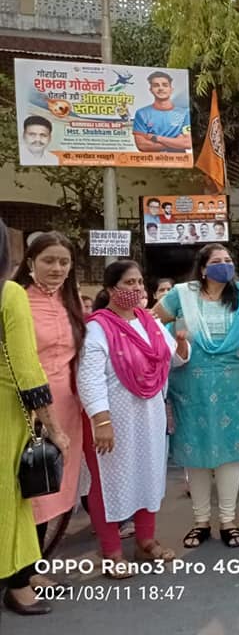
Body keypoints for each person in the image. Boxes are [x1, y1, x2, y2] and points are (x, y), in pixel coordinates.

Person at [78, 261, 189, 575]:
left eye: (140, 282)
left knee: (148, 474)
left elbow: (173, 359)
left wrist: (181, 345)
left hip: (149, 414)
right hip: (112, 418)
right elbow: (89, 378)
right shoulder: (97, 327)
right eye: (129, 283)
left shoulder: (148, 321)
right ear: (111, 288)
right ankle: (111, 551)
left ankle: (145, 541)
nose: (138, 289)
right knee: (108, 481)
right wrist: (101, 421)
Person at [154, 245, 239, 549]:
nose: (224, 265)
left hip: (232, 384)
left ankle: (229, 521)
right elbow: (152, 324)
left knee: (230, 455)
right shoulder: (182, 294)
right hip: (191, 384)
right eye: (217, 262)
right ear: (203, 269)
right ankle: (200, 521)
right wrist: (173, 346)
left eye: (229, 261)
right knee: (197, 453)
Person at [0, 218, 70, 616]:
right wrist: (55, 429)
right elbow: (27, 370)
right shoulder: (10, 295)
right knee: (12, 499)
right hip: (8, 411)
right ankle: (18, 583)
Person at [11, 233, 86, 575]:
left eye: (64, 262)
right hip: (26, 406)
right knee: (29, 489)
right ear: (30, 264)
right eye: (48, 261)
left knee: (53, 485)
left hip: (68, 406)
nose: (57, 268)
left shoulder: (72, 303)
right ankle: (24, 572)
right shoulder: (17, 301)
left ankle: (35, 564)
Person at [133, 71, 192, 153]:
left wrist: (157, 138)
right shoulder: (142, 113)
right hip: (151, 162)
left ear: (171, 89)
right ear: (151, 90)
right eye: (156, 85)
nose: (161, 88)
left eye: (165, 85)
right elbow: (142, 145)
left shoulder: (184, 113)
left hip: (178, 161)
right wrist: (176, 143)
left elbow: (187, 143)